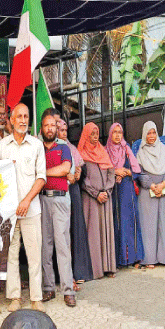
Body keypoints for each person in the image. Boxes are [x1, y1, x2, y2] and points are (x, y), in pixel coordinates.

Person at [0, 103, 46, 312]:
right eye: (20, 116)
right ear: (12, 120)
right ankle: (15, 297)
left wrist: (26, 201)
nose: (24, 120)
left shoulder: (36, 145)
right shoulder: (2, 147)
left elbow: (41, 178)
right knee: (12, 255)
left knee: (34, 255)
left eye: (26, 116)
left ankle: (36, 298)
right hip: (9, 213)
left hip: (31, 209)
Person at [39, 109, 76, 307]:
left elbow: (65, 168)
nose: (50, 128)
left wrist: (43, 173)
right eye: (46, 125)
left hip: (61, 200)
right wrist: (54, 174)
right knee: (46, 246)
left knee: (63, 246)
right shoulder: (37, 149)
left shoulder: (64, 147)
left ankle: (68, 290)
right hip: (42, 200)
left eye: (53, 125)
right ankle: (48, 288)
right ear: (42, 128)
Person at [135, 121, 165, 268]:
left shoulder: (164, 150)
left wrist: (163, 184)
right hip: (148, 191)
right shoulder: (141, 153)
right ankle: (149, 259)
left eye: (154, 132)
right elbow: (140, 172)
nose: (151, 136)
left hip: (164, 188)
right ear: (144, 134)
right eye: (148, 133)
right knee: (149, 225)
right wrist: (152, 185)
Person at [77, 122, 117, 279]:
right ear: (86, 135)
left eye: (96, 134)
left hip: (105, 198)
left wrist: (106, 191)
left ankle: (108, 267)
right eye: (91, 134)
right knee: (93, 233)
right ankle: (95, 269)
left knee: (105, 231)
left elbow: (111, 172)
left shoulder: (102, 151)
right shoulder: (81, 153)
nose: (94, 137)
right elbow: (82, 179)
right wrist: (96, 193)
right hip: (90, 199)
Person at [59, 119, 92, 288]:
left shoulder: (72, 148)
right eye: (60, 130)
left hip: (74, 192)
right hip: (59, 192)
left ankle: (78, 271)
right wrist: (66, 176)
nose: (63, 133)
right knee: (63, 234)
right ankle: (65, 275)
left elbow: (81, 165)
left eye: (65, 130)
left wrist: (78, 171)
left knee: (76, 230)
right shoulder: (52, 148)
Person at [105, 123, 143, 268]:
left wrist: (126, 172)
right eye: (114, 132)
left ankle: (135, 258)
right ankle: (120, 259)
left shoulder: (126, 149)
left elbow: (137, 170)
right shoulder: (105, 150)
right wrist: (115, 171)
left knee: (131, 222)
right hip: (114, 190)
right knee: (117, 223)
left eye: (119, 132)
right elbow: (103, 169)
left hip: (127, 190)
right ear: (110, 134)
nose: (117, 135)